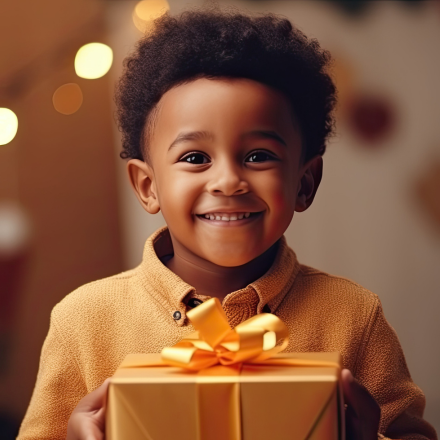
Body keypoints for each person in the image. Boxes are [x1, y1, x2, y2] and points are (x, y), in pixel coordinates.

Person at [18, 8, 437, 440]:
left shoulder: (354, 315)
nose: (228, 181)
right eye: (195, 158)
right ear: (147, 186)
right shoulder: (84, 321)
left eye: (258, 156)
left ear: (305, 182)